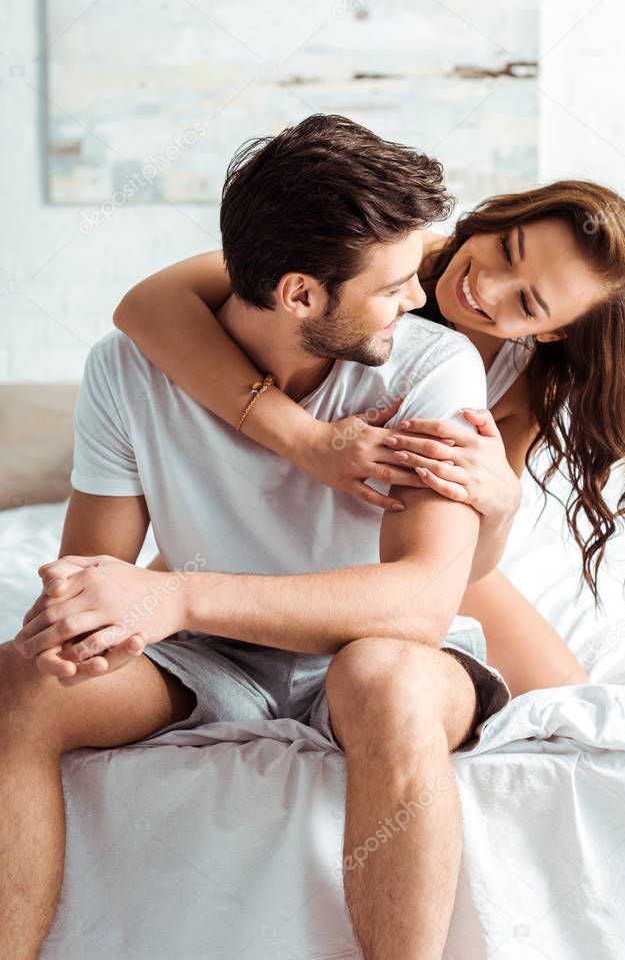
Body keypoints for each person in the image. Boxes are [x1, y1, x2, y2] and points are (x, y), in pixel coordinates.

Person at [6, 115, 514, 960]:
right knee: (23, 676)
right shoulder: (125, 369)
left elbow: (422, 604)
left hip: (373, 652)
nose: (418, 300)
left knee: (380, 673)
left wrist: (178, 592)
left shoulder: (431, 368)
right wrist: (84, 616)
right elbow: (96, 574)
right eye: (391, 286)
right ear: (300, 293)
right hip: (208, 658)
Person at [112, 176, 625, 697]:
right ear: (499, 218)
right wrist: (306, 441)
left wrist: (499, 510)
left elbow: (461, 567)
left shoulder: (523, 380)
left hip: (395, 547)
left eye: (526, 303)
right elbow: (145, 305)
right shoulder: (383, 250)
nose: (487, 287)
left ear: (552, 332)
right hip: (264, 511)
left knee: (565, 698)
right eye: (505, 250)